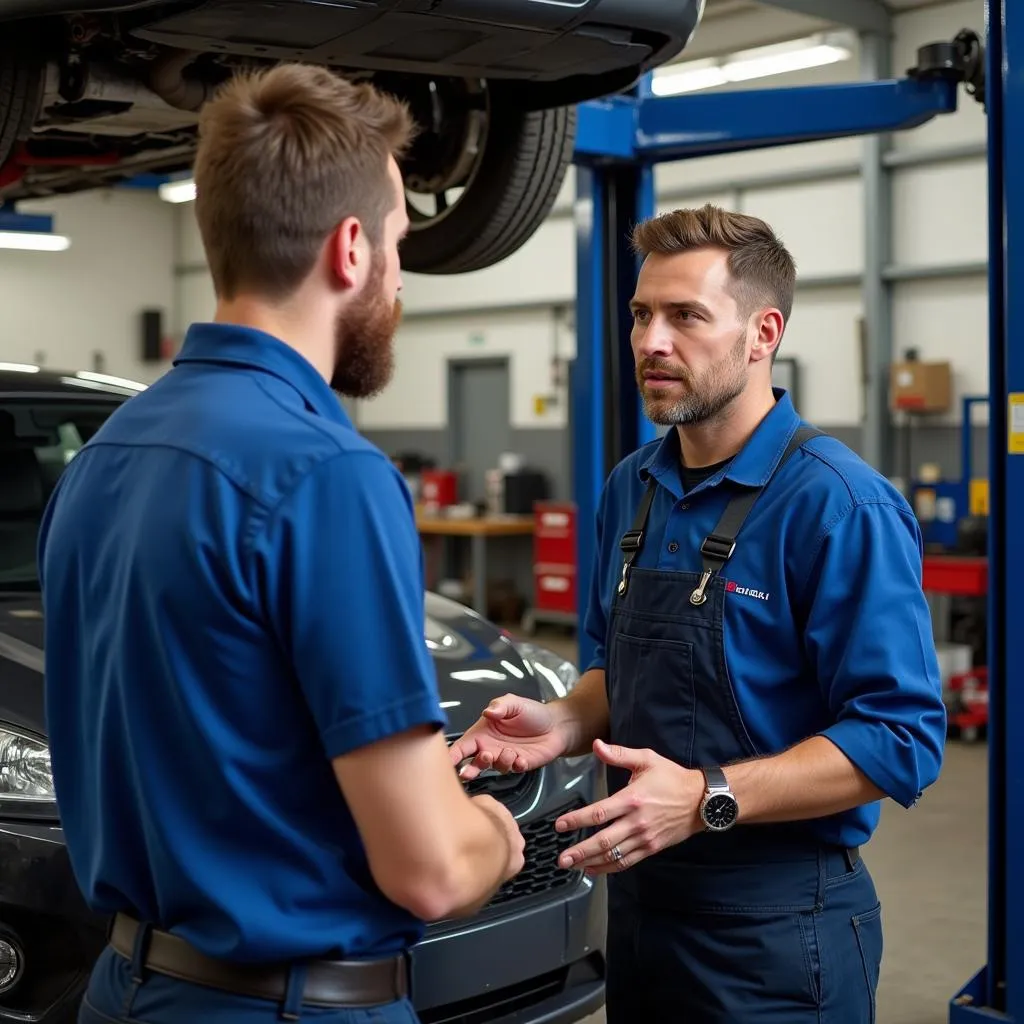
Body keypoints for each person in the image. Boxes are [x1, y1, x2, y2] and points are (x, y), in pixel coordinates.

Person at [38, 63, 524, 1024]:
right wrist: (494, 833)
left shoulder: (100, 461)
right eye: (398, 244)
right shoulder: (327, 475)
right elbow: (429, 871)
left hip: (128, 990)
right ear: (350, 250)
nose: (399, 276)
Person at [450, 204, 948, 1023]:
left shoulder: (838, 506)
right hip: (643, 914)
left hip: (781, 935)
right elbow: (618, 672)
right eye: (643, 315)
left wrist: (707, 795)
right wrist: (562, 721)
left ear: (762, 334)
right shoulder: (630, 488)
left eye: (686, 316)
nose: (651, 341)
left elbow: (902, 738)